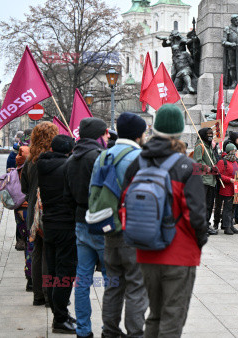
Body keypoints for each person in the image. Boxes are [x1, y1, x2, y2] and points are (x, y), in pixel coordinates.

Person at [122, 104, 208, 337]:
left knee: (155, 315)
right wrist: (199, 243)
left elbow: (123, 203)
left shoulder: (137, 163)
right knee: (173, 318)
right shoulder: (190, 167)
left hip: (146, 251)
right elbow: (198, 216)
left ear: (155, 128)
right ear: (179, 132)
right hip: (180, 254)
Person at [92, 112, 149, 338]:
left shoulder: (103, 156)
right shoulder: (140, 157)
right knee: (137, 285)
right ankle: (136, 333)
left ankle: (110, 331)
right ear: (138, 134)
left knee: (113, 284)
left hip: (108, 229)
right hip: (134, 230)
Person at [63, 117, 110, 338]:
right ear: (97, 135)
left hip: (81, 222)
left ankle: (83, 330)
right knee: (112, 280)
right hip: (101, 223)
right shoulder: (100, 157)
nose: (109, 136)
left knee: (82, 281)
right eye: (106, 133)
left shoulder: (71, 159)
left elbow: (67, 196)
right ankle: (109, 329)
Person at [37, 134, 77, 334]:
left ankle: (59, 313)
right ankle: (60, 319)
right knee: (65, 273)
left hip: (50, 224)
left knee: (52, 272)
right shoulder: (68, 167)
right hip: (65, 225)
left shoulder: (43, 165)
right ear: (69, 150)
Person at [21, 122, 59, 306]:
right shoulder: (54, 158)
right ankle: (47, 293)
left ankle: (38, 295)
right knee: (48, 252)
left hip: (32, 211)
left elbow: (24, 188)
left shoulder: (30, 159)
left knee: (37, 250)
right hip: (49, 209)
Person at [194, 127, 218, 235]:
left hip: (211, 180)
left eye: (211, 134)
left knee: (209, 205)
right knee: (202, 205)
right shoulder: (200, 146)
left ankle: (207, 225)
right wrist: (208, 168)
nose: (210, 136)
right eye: (208, 134)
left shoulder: (210, 148)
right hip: (203, 180)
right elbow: (197, 163)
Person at [15, 137, 32, 291]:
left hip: (21, 210)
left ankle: (30, 279)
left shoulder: (21, 164)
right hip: (36, 208)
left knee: (29, 244)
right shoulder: (38, 162)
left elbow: (24, 189)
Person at [215, 143, 238, 235]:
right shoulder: (222, 162)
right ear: (230, 151)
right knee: (227, 208)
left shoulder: (236, 162)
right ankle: (226, 226)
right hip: (226, 189)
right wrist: (230, 180)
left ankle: (231, 225)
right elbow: (219, 175)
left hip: (235, 189)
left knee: (233, 208)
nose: (235, 153)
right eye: (233, 151)